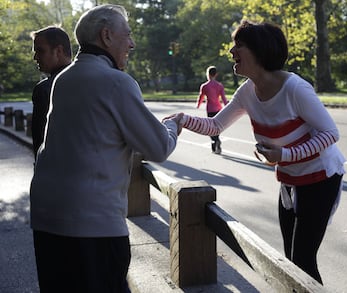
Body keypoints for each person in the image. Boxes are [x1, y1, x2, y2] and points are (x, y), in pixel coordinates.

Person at [170, 20, 345, 285]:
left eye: (239, 45)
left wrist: (283, 155)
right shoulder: (247, 92)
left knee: (303, 260)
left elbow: (331, 134)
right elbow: (216, 125)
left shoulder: (295, 89)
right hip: (290, 181)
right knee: (290, 261)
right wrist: (183, 119)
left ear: (260, 51)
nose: (231, 52)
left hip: (321, 178)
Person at [30, 4, 183, 293]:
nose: (132, 43)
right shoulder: (115, 82)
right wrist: (174, 124)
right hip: (91, 226)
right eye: (128, 34)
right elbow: (159, 146)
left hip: (47, 219)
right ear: (107, 36)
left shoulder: (63, 79)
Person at [31, 26, 72, 160]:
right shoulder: (90, 82)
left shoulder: (44, 89)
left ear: (58, 51)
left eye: (40, 51)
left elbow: (40, 140)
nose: (35, 57)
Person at [196, 66, 228, 154]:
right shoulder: (219, 85)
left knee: (210, 127)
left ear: (208, 74)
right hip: (218, 108)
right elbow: (224, 98)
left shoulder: (204, 86)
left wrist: (198, 105)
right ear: (216, 74)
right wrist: (227, 107)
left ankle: (215, 141)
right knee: (216, 127)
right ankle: (216, 141)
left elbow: (201, 97)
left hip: (210, 109)